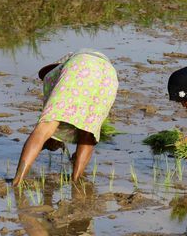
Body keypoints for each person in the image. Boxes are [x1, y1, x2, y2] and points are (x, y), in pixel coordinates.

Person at [12, 49, 118, 186]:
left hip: (80, 65)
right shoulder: (100, 66)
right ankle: (76, 181)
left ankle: (17, 181)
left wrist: (53, 140)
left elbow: (52, 125)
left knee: (45, 127)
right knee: (88, 131)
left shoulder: (51, 75)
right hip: (110, 76)